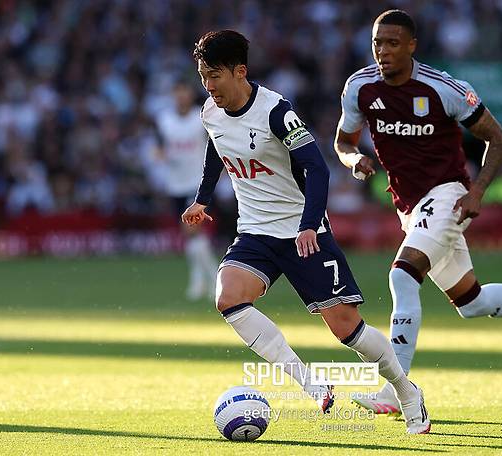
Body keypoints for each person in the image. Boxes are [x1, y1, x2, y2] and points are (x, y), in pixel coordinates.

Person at [334, 10, 502, 415]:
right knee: (472, 302)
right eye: (377, 43)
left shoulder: (443, 89)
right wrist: (353, 160)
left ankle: (397, 391)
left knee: (402, 275)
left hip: (448, 195)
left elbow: (498, 139)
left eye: (393, 43)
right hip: (409, 207)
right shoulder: (360, 87)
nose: (383, 51)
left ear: (412, 46)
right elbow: (344, 141)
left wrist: (477, 191)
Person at [182, 29, 430, 434]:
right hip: (255, 231)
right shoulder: (211, 112)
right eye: (202, 76)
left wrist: (310, 224)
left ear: (240, 71)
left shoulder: (277, 113)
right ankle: (311, 383)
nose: (208, 85)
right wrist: (202, 199)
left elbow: (316, 168)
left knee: (346, 327)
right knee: (228, 298)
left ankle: (406, 390)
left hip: (302, 231)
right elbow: (216, 148)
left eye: (215, 75)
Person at [154, 79, 218, 300]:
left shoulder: (200, 118)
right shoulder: (164, 120)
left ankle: (213, 279)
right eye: (178, 92)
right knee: (191, 236)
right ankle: (200, 280)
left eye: (185, 92)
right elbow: (158, 148)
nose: (181, 96)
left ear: (191, 94)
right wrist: (160, 156)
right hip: (175, 184)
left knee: (192, 230)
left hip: (197, 183)